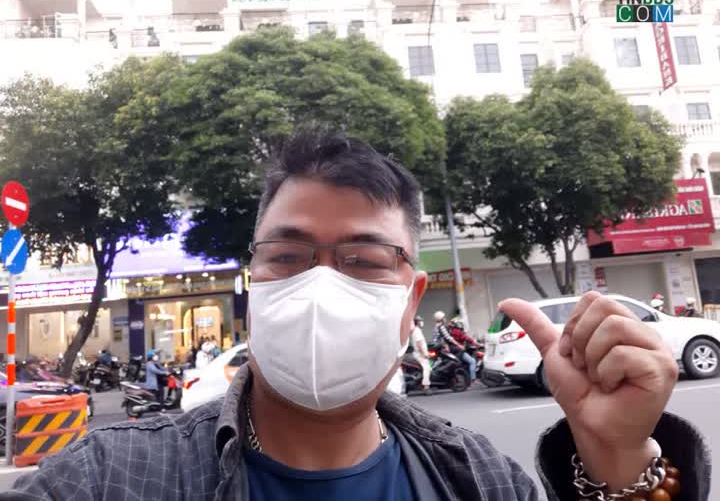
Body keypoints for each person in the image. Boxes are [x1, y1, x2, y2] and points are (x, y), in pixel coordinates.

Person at [6, 131, 709, 500]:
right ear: (254, 285)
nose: (320, 285)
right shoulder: (111, 478)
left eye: (364, 260)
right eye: (287, 256)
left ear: (410, 301)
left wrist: (618, 457)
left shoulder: (479, 479)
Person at [410, 316, 432, 394]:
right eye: (421, 321)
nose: (422, 322)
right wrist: (424, 354)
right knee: (427, 368)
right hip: (419, 354)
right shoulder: (417, 331)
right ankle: (426, 386)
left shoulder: (417, 331)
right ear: (418, 322)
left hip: (420, 353)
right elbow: (419, 344)